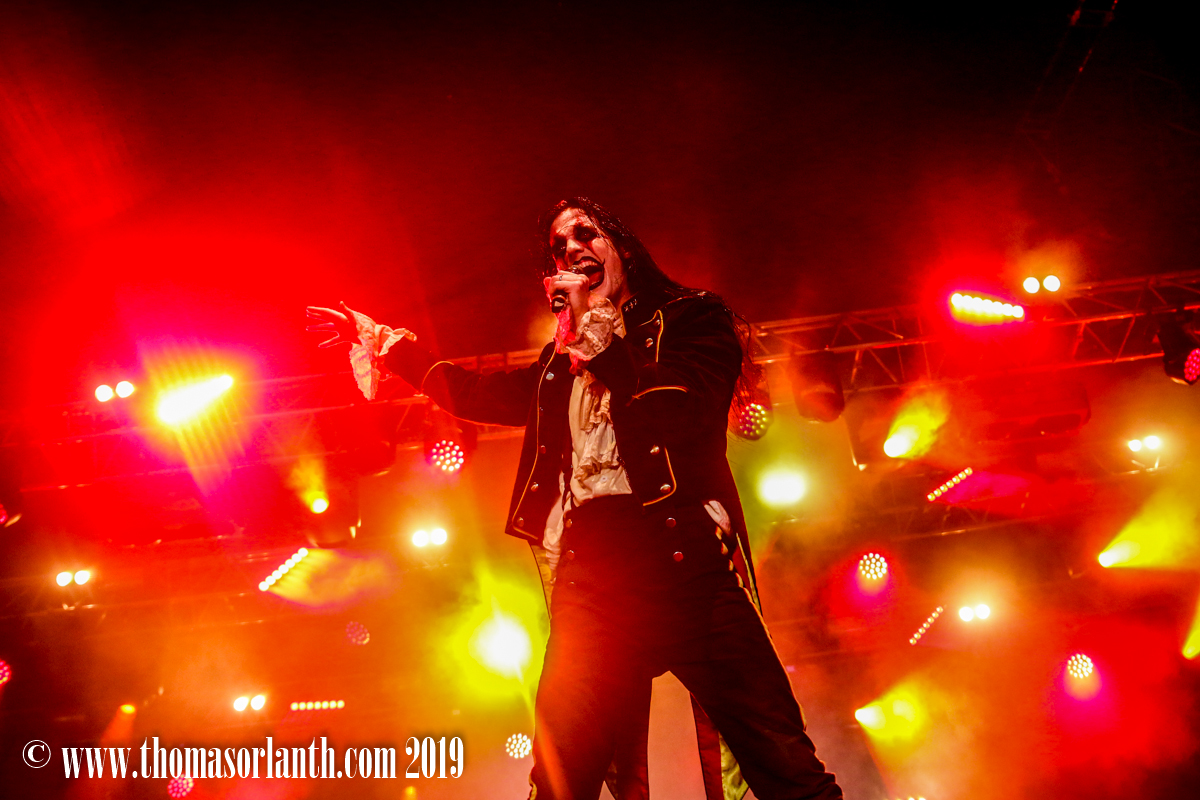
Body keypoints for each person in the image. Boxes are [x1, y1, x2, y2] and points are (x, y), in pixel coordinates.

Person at [307, 197, 843, 800]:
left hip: (684, 558)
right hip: (593, 575)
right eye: (559, 247)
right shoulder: (560, 362)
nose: (570, 250)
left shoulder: (691, 317)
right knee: (560, 777)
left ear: (622, 248)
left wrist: (599, 336)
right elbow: (477, 393)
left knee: (783, 762)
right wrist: (387, 345)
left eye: (586, 234)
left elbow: (682, 409)